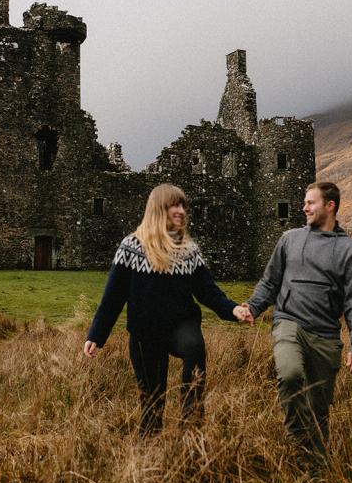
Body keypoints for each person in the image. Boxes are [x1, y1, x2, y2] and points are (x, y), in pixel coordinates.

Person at [84, 183, 250, 435]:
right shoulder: (131, 247)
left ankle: (190, 423)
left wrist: (233, 310)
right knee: (152, 403)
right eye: (175, 204)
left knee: (195, 348)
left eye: (184, 205)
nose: (182, 210)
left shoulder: (189, 251)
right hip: (144, 333)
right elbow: (113, 296)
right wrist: (96, 335)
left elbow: (208, 291)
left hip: (180, 325)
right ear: (159, 208)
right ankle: (149, 457)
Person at [234, 181, 352, 460]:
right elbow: (270, 282)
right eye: (304, 202)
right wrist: (253, 307)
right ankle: (299, 438)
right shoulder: (289, 239)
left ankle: (316, 469)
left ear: (330, 206)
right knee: (291, 374)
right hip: (288, 323)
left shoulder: (350, 251)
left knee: (319, 409)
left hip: (326, 335)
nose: (304, 207)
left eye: (311, 202)